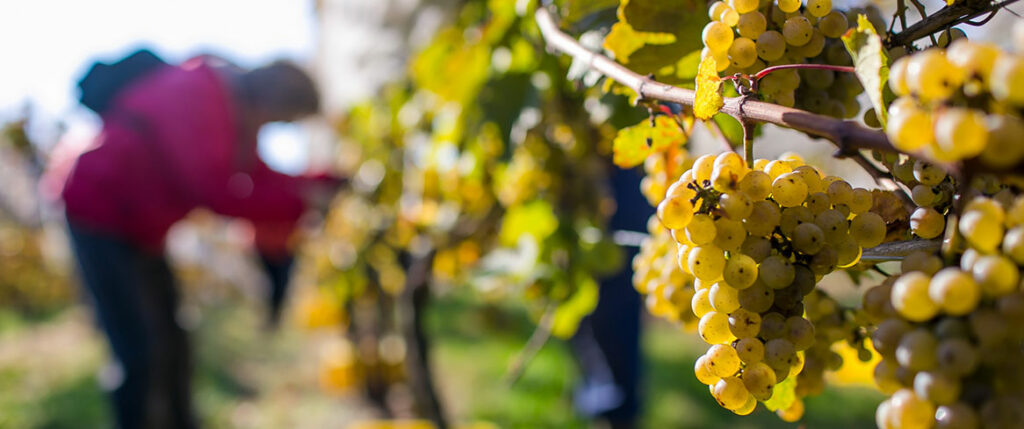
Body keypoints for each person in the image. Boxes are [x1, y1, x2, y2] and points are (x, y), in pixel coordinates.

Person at [55, 54, 340, 429]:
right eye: (281, 121)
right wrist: (302, 201)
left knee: (173, 344)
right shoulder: (201, 93)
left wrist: (320, 183)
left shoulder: (232, 109)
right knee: (138, 350)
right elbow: (215, 191)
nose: (273, 128)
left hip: (140, 227)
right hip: (97, 212)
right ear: (275, 100)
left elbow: (254, 175)